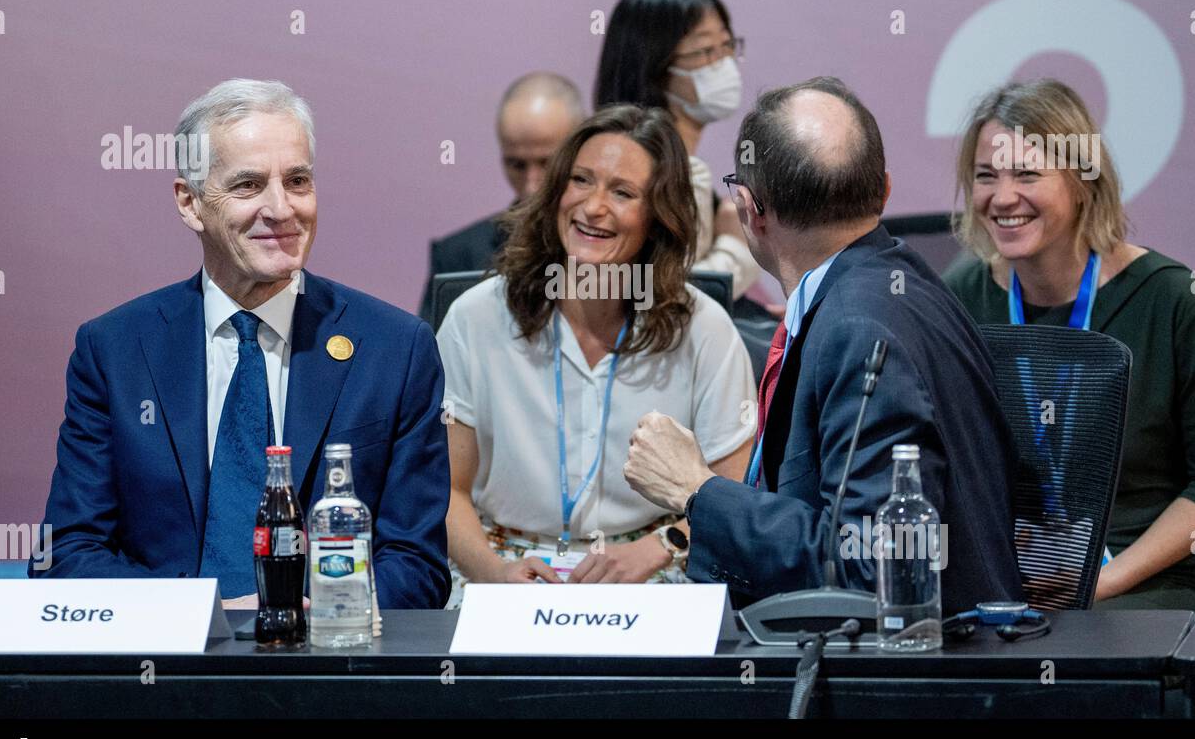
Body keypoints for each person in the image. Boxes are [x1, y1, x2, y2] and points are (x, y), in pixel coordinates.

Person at [33, 79, 451, 609]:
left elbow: (418, 567)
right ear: (190, 203)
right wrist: (199, 617)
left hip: (323, 669)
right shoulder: (115, 351)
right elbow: (67, 554)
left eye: (297, 181)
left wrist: (311, 610)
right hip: (163, 674)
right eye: (249, 186)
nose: (281, 209)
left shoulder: (395, 350)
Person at [623, 77, 1024, 614]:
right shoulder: (906, 286)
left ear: (748, 209)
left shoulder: (859, 330)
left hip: (915, 675)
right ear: (883, 190)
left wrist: (696, 490)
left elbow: (876, 568)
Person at [944, 79, 1195, 613]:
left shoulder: (1175, 298)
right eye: (986, 177)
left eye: (1028, 174)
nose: (1003, 197)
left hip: (1149, 583)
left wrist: (1097, 586)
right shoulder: (960, 297)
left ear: (1083, 182)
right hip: (1011, 583)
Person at [437, 104, 755, 607]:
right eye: (581, 181)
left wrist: (661, 547)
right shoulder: (476, 318)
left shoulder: (704, 328)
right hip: (502, 567)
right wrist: (495, 574)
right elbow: (447, 491)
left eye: (623, 193)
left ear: (658, 217)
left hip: (652, 567)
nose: (592, 207)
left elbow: (734, 494)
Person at [595, 0, 762, 305]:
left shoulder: (681, 168)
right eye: (705, 51)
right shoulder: (666, 173)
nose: (724, 62)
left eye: (727, 46)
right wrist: (736, 249)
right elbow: (666, 302)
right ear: (654, 66)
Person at [418, 71, 585, 324]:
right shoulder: (459, 255)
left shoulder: (619, 244)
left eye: (547, 163)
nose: (531, 185)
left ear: (584, 148)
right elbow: (434, 360)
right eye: (517, 164)